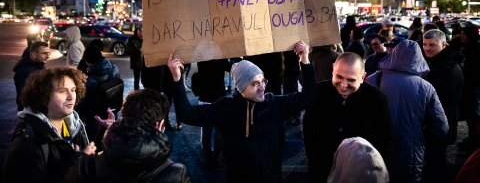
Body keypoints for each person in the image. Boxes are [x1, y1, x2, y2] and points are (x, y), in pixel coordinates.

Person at [167, 41, 315, 183]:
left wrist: (305, 61)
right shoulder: (225, 108)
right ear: (241, 87)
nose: (262, 87)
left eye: (263, 81)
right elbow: (187, 114)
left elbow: (309, 97)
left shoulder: (274, 104)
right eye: (255, 84)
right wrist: (176, 79)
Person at [365, 39, 449, 183]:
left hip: (374, 149)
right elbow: (442, 128)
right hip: (409, 153)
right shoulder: (425, 87)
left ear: (394, 54)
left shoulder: (372, 80)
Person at [303, 52, 393, 182]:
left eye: (351, 79)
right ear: (333, 69)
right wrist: (314, 160)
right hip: (322, 171)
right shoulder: (318, 93)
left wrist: (370, 168)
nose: (344, 84)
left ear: (363, 77)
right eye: (339, 77)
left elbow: (385, 139)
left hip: (361, 175)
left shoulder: (377, 99)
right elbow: (309, 131)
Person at [3, 67, 96, 183]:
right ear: (44, 97)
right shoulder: (27, 143)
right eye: (62, 91)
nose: (71, 96)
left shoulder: (73, 125)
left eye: (73, 90)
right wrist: (80, 163)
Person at [95, 89, 191, 183]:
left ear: (123, 117)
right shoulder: (177, 173)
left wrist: (114, 130)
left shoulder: (97, 160)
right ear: (160, 124)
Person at [422, 29, 464, 182]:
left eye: (432, 45)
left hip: (440, 123)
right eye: (425, 44)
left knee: (436, 163)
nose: (427, 48)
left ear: (444, 45)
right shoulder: (439, 63)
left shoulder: (446, 68)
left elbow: (439, 101)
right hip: (440, 122)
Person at [75, 44, 122, 146]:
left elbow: (81, 105)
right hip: (112, 112)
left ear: (87, 61)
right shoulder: (114, 68)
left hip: (96, 118)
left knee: (95, 144)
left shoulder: (90, 81)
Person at [191, 59, 232, 167]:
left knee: (206, 130)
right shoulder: (220, 57)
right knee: (219, 131)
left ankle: (207, 157)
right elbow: (231, 67)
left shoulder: (202, 55)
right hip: (218, 98)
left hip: (204, 96)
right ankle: (217, 158)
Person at [458, 26, 480, 151]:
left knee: (474, 115)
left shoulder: (476, 50)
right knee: (469, 115)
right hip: (468, 87)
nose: (461, 37)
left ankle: (475, 139)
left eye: (464, 35)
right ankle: (472, 137)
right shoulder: (465, 49)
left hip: (474, 88)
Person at [13, 41, 50, 111]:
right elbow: (26, 97)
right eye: (44, 53)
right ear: (34, 54)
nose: (48, 56)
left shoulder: (40, 66)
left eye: (48, 53)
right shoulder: (25, 72)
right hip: (30, 111)